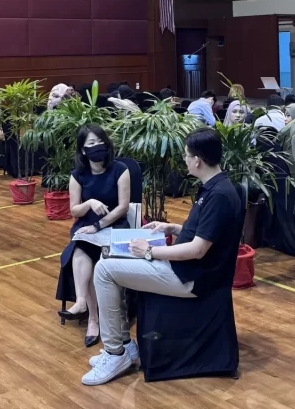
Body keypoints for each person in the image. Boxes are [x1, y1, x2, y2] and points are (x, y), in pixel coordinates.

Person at [82, 128, 242, 386]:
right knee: (107, 262)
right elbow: (206, 235)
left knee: (104, 270)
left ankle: (115, 352)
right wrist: (171, 228)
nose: (185, 160)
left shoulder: (219, 196)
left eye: (186, 156)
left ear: (197, 160)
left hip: (191, 278)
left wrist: (149, 251)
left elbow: (197, 250)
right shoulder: (215, 187)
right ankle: (124, 346)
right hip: (187, 269)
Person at [57, 124, 131, 348]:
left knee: (100, 260)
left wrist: (98, 225)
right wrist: (89, 203)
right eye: (90, 144)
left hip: (114, 225)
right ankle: (87, 312)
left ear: (106, 144)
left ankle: (101, 315)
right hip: (85, 226)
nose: (96, 147)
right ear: (82, 150)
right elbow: (74, 211)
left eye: (99, 142)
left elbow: (123, 207)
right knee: (81, 250)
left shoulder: (120, 169)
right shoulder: (77, 175)